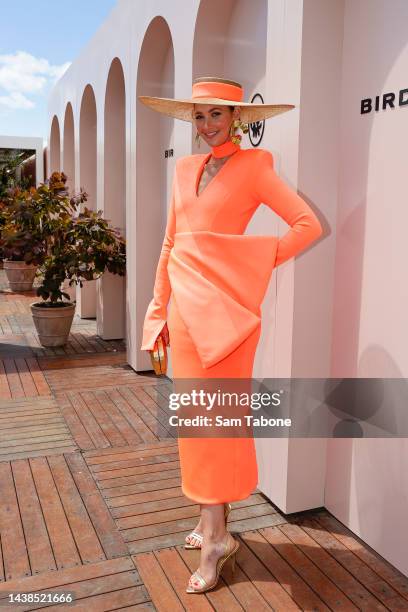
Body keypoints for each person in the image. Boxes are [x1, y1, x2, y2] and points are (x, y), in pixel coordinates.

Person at [139, 77, 323, 594]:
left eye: (216, 115)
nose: (206, 126)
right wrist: (157, 313)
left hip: (226, 321)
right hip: (185, 318)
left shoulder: (255, 168)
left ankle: (218, 536)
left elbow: (307, 225)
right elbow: (170, 243)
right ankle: (208, 518)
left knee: (215, 424)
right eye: (198, 116)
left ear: (236, 118)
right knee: (196, 423)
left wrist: (244, 267)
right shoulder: (182, 169)